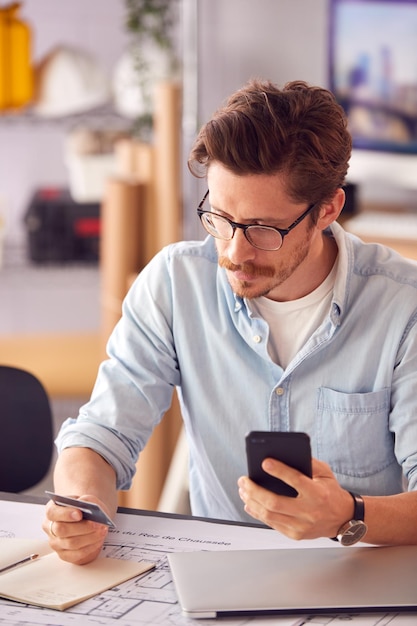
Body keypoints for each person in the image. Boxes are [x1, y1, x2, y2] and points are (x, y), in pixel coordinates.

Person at [43, 79, 417, 564]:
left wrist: (348, 515)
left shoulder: (403, 307)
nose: (234, 253)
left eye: (263, 229)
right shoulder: (176, 284)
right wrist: (82, 504)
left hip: (363, 580)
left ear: (328, 209)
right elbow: (101, 435)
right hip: (219, 582)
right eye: (219, 219)